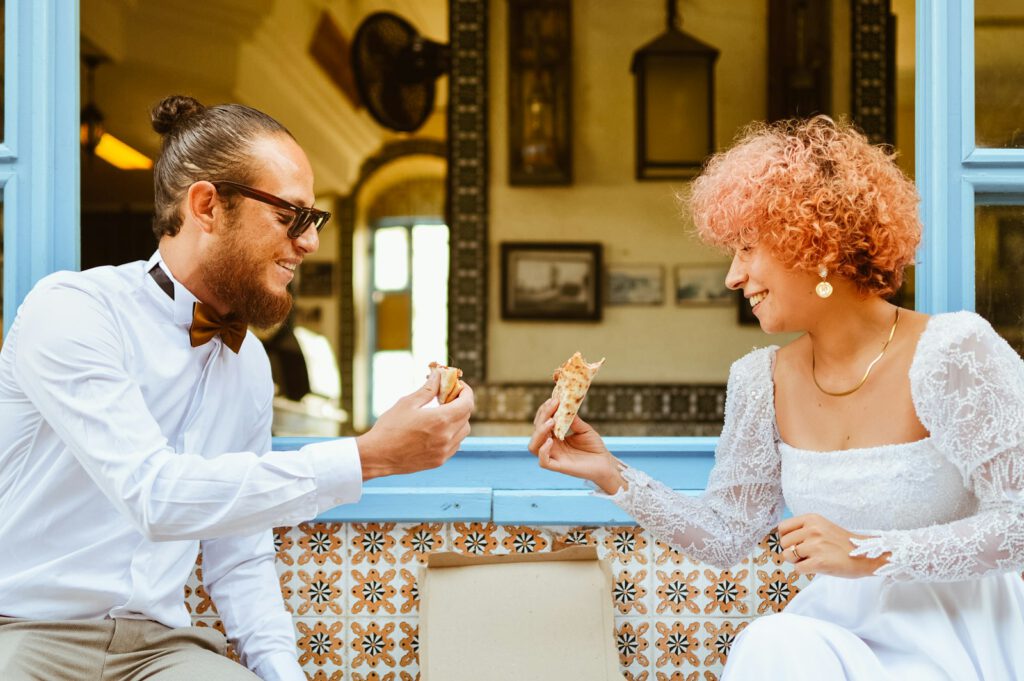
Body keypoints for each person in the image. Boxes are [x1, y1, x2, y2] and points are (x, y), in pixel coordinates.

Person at [529, 116, 1024, 679]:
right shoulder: (758, 380)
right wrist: (611, 473)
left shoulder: (954, 352)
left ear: (813, 241)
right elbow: (725, 534)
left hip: (957, 644)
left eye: (746, 248)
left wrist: (868, 551)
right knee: (773, 644)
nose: (733, 278)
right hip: (836, 643)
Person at [0, 95, 474, 681]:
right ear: (207, 205)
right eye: (290, 216)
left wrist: (282, 673)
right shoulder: (72, 311)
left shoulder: (249, 362)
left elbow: (240, 555)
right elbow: (154, 496)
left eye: (313, 220)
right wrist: (367, 456)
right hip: (26, 635)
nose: (310, 242)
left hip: (162, 652)